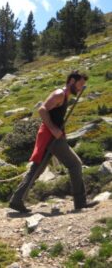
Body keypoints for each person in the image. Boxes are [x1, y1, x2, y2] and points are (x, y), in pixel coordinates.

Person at [9, 70, 99, 213]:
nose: (81, 88)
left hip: (53, 137)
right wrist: (54, 129)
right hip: (51, 137)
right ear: (71, 81)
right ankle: (80, 203)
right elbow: (42, 110)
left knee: (36, 169)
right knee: (75, 164)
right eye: (80, 84)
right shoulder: (59, 94)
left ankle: (16, 200)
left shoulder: (65, 96)